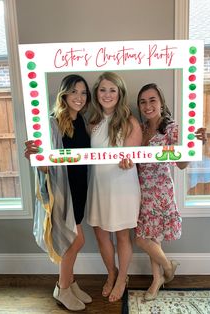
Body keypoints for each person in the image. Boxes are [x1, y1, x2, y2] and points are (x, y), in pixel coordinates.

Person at [119, 83, 207, 301]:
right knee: (151, 237)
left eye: (152, 100)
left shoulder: (172, 129)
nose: (148, 105)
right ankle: (161, 275)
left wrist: (197, 145)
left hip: (160, 190)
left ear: (161, 103)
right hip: (139, 188)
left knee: (143, 238)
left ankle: (166, 270)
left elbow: (182, 164)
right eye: (143, 101)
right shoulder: (140, 128)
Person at [24, 74, 92, 311]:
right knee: (73, 241)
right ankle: (63, 288)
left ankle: (69, 284)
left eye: (83, 93)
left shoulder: (81, 121)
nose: (79, 97)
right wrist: (35, 157)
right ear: (64, 94)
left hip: (78, 189)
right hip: (62, 191)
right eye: (74, 92)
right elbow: (44, 165)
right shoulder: (52, 123)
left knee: (75, 239)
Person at [85, 71, 143, 302]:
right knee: (100, 235)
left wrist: (129, 161)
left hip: (122, 187)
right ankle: (112, 273)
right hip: (98, 186)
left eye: (112, 90)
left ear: (120, 94)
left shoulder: (130, 121)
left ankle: (122, 279)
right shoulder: (92, 122)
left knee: (122, 237)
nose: (107, 94)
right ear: (96, 93)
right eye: (102, 89)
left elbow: (132, 157)